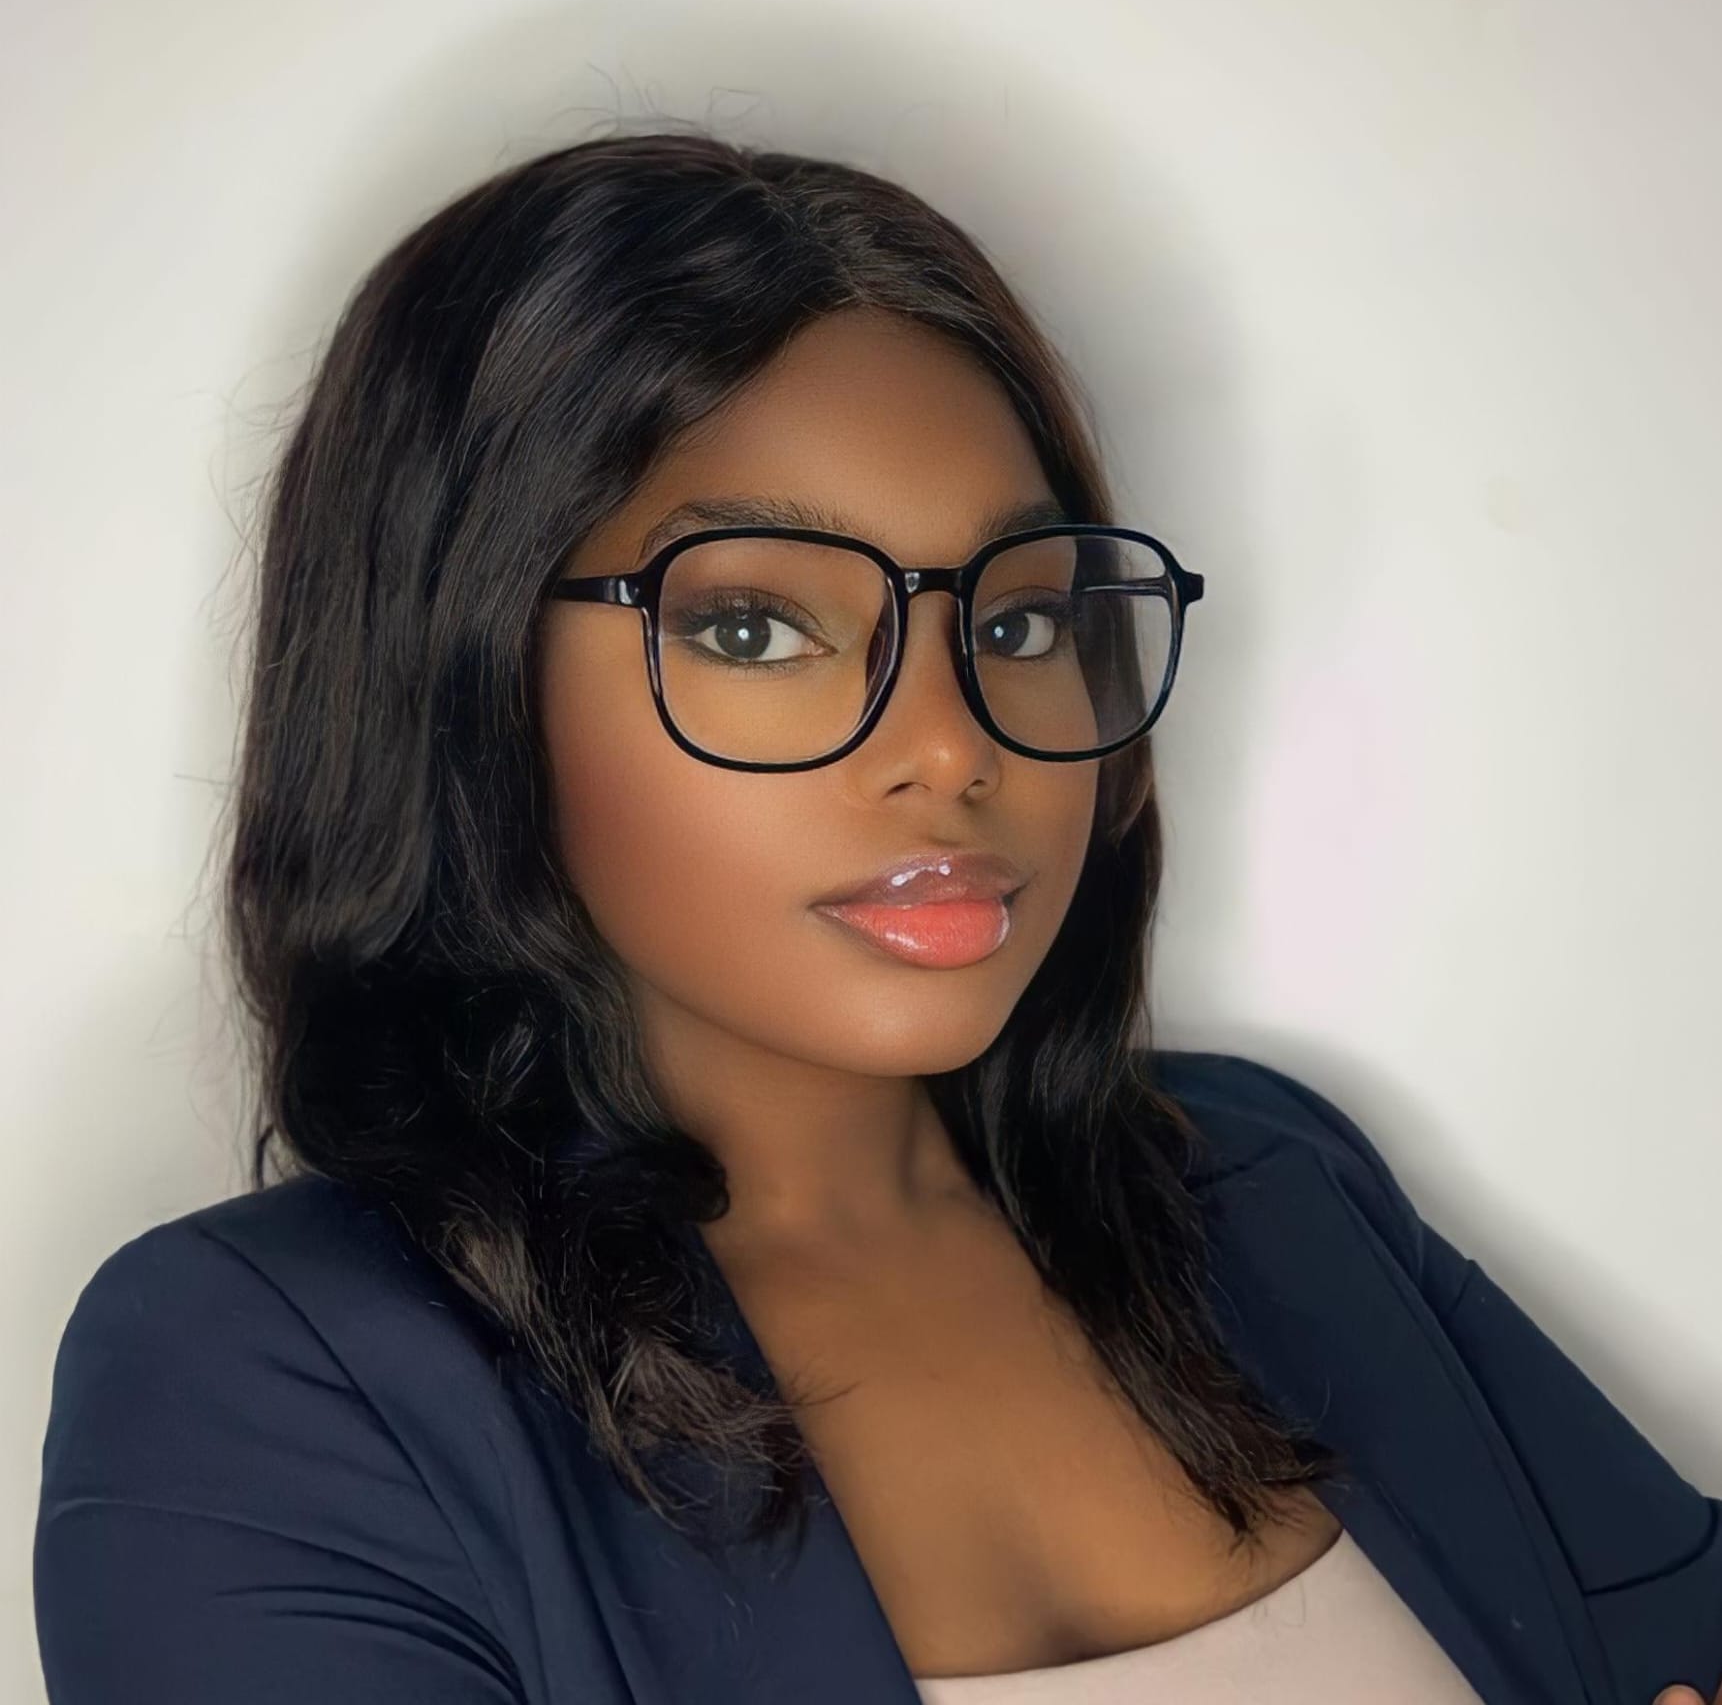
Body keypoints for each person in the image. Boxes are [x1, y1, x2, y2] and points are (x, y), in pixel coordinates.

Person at [33, 132, 1722, 1704]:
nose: (951, 744)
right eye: (755, 629)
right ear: (456, 677)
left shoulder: (1266, 1184)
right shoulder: (268, 1382)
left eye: (1017, 621)